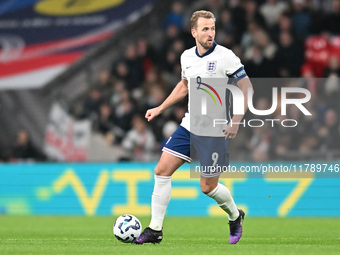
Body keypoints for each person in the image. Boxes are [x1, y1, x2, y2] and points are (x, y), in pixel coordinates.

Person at [134, 10, 253, 245]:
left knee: (208, 187)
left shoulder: (226, 56)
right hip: (190, 125)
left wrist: (236, 120)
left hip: (215, 129)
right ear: (194, 32)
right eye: (205, 29)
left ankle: (234, 215)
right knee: (161, 170)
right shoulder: (186, 57)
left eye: (213, 28)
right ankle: (155, 230)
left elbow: (247, 88)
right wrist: (159, 108)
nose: (210, 33)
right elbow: (184, 85)